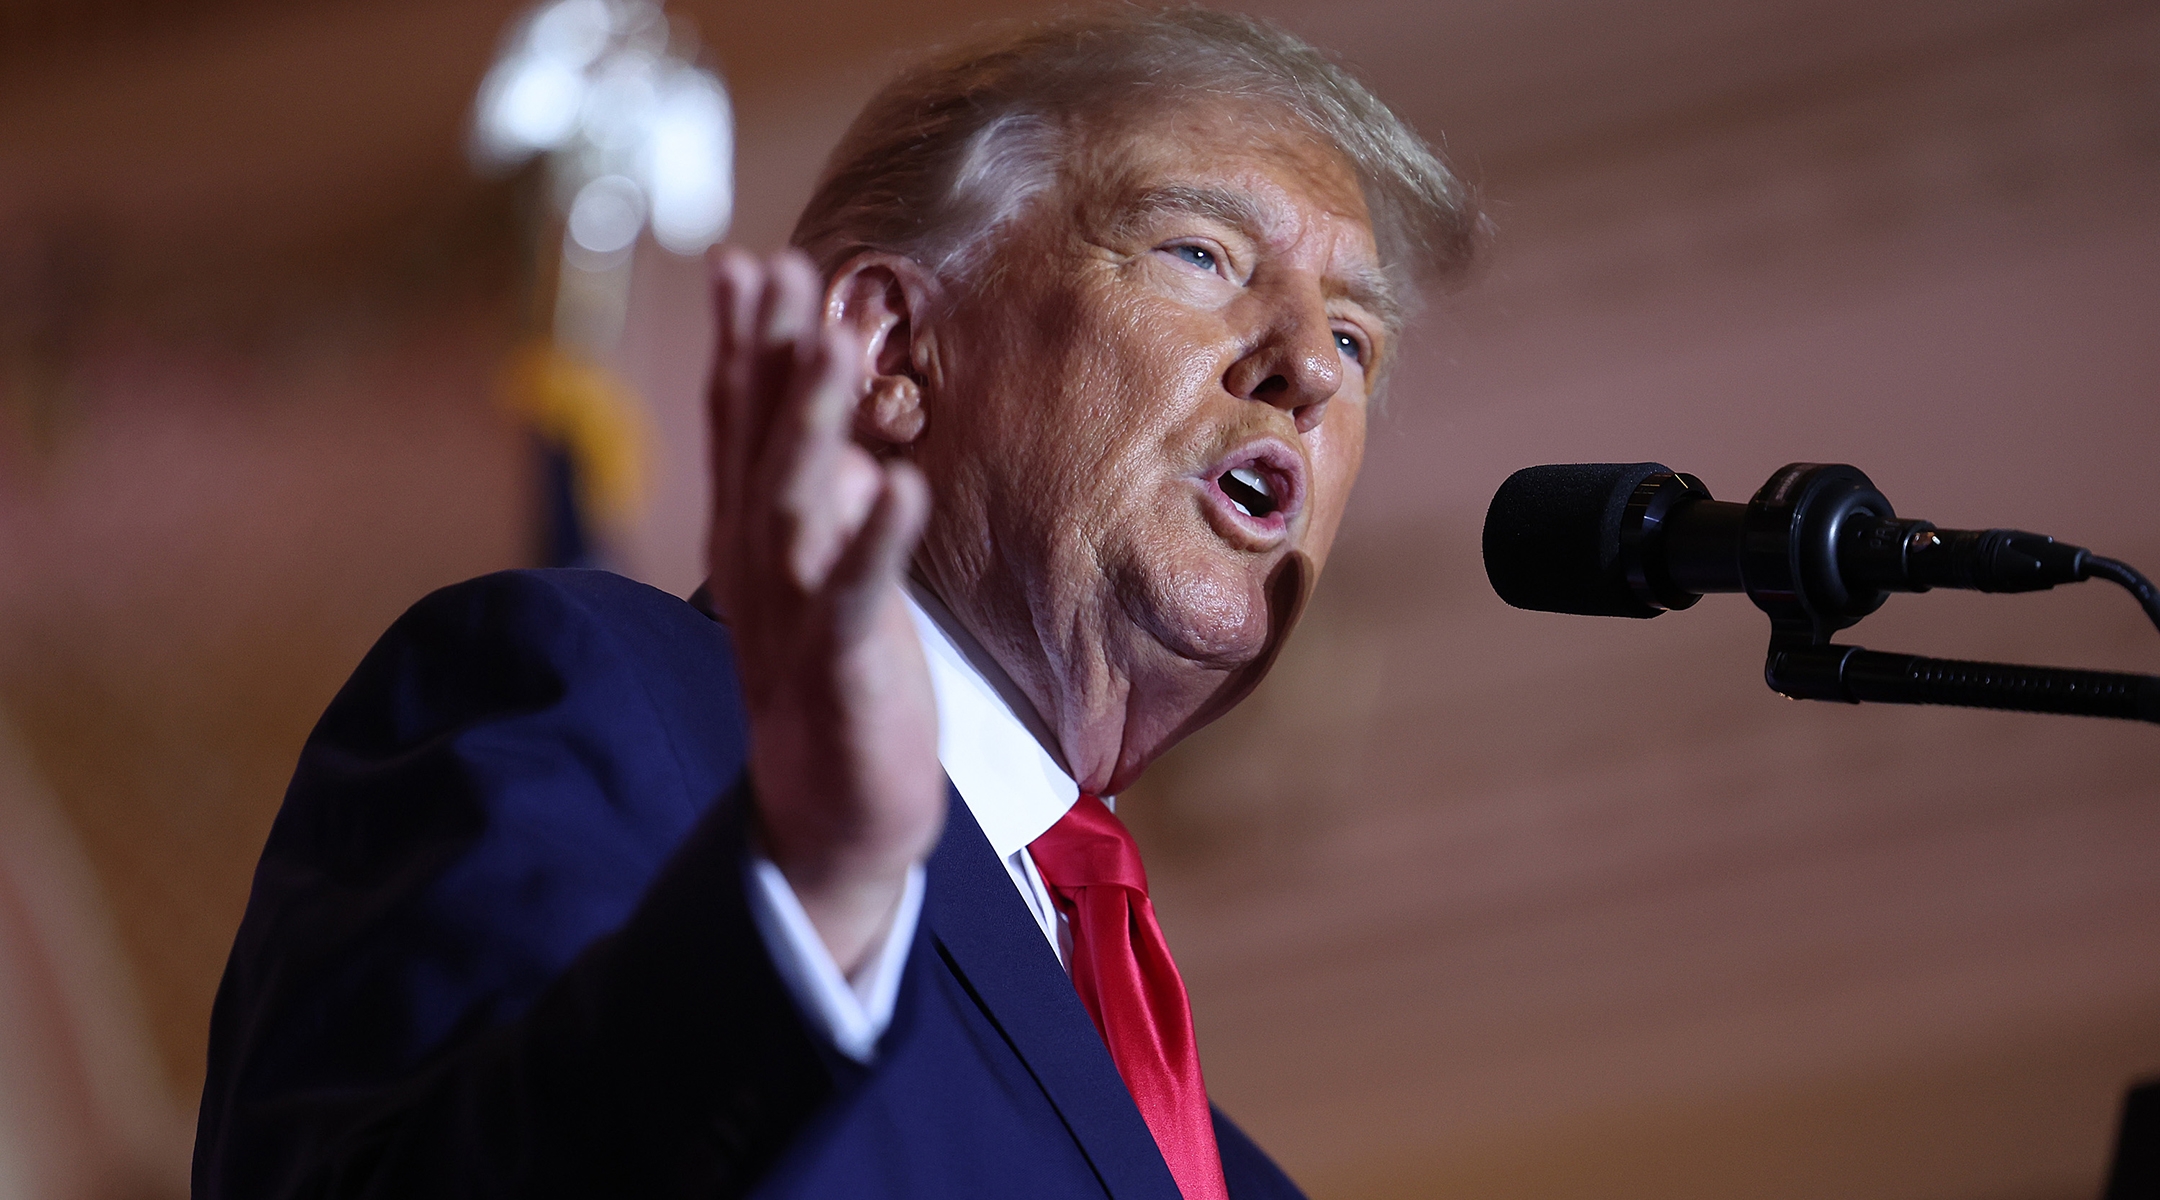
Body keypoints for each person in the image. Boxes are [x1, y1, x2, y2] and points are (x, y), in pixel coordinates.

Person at [192, 7, 1479, 1198]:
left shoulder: (1234, 1177)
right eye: (1202, 254)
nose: (1309, 367)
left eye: (1357, 340)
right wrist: (805, 903)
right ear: (892, 348)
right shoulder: (593, 698)